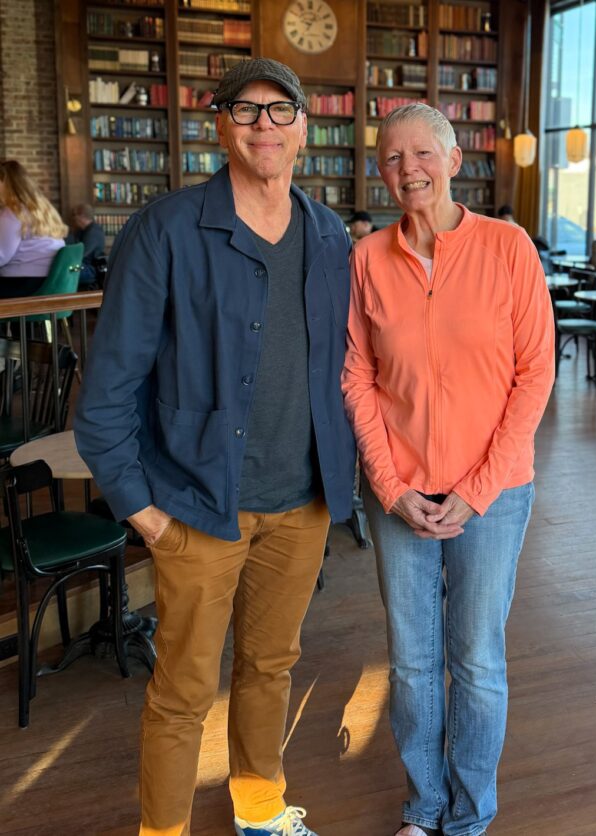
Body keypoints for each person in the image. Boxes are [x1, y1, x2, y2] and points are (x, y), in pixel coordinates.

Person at [74, 58, 355, 836]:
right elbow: (104, 398)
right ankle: (161, 831)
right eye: (245, 111)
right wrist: (143, 511)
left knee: (270, 669)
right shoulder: (164, 229)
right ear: (220, 126)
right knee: (182, 691)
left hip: (299, 505)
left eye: (280, 111)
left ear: (305, 126)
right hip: (196, 506)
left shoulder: (329, 236)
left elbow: (345, 369)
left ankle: (259, 809)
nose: (263, 126)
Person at [342, 103, 555, 836]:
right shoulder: (367, 259)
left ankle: (467, 820)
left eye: (421, 153)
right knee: (410, 665)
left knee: (476, 661)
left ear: (453, 159)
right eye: (392, 159)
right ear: (380, 172)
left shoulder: (507, 247)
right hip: (399, 494)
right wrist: (391, 488)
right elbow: (355, 378)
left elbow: (534, 375)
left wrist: (476, 489)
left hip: (491, 494)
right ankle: (423, 807)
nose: (408, 170)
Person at [0, 159, 66, 298]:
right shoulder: (43, 209)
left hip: (24, 284)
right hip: (49, 282)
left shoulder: (14, 211)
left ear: (5, 183)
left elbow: (2, 256)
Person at [67, 203, 105, 288]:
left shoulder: (94, 231)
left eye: (74, 215)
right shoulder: (81, 231)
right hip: (82, 265)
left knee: (68, 271)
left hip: (91, 269)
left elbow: (82, 253)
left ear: (81, 216)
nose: (73, 218)